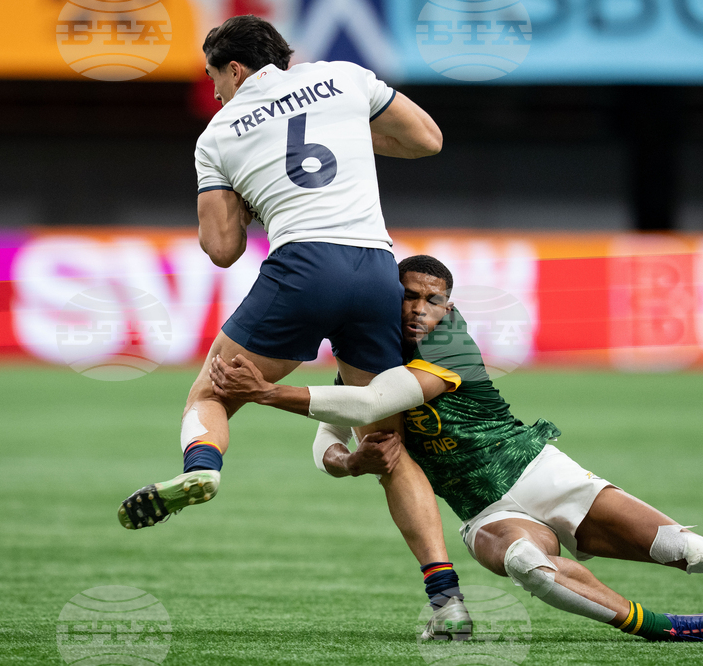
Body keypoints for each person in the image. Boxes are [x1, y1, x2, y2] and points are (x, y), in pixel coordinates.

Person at [209, 254, 703, 644]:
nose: (419, 308)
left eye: (432, 299)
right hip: (487, 511)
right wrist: (344, 462)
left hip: (544, 475)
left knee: (697, 553)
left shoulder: (449, 345)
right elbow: (331, 437)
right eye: (409, 297)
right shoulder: (361, 357)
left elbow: (369, 406)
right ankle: (662, 628)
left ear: (448, 307)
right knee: (528, 563)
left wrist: (266, 394)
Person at [116, 16, 469, 636]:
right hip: (373, 268)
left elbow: (223, 249)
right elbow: (427, 139)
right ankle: (447, 601)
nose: (216, 91)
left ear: (235, 69)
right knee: (386, 445)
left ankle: (202, 465)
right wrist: (357, 140)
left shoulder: (217, 132)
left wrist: (248, 195)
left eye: (214, 77)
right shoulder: (342, 76)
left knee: (211, 392)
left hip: (301, 265)